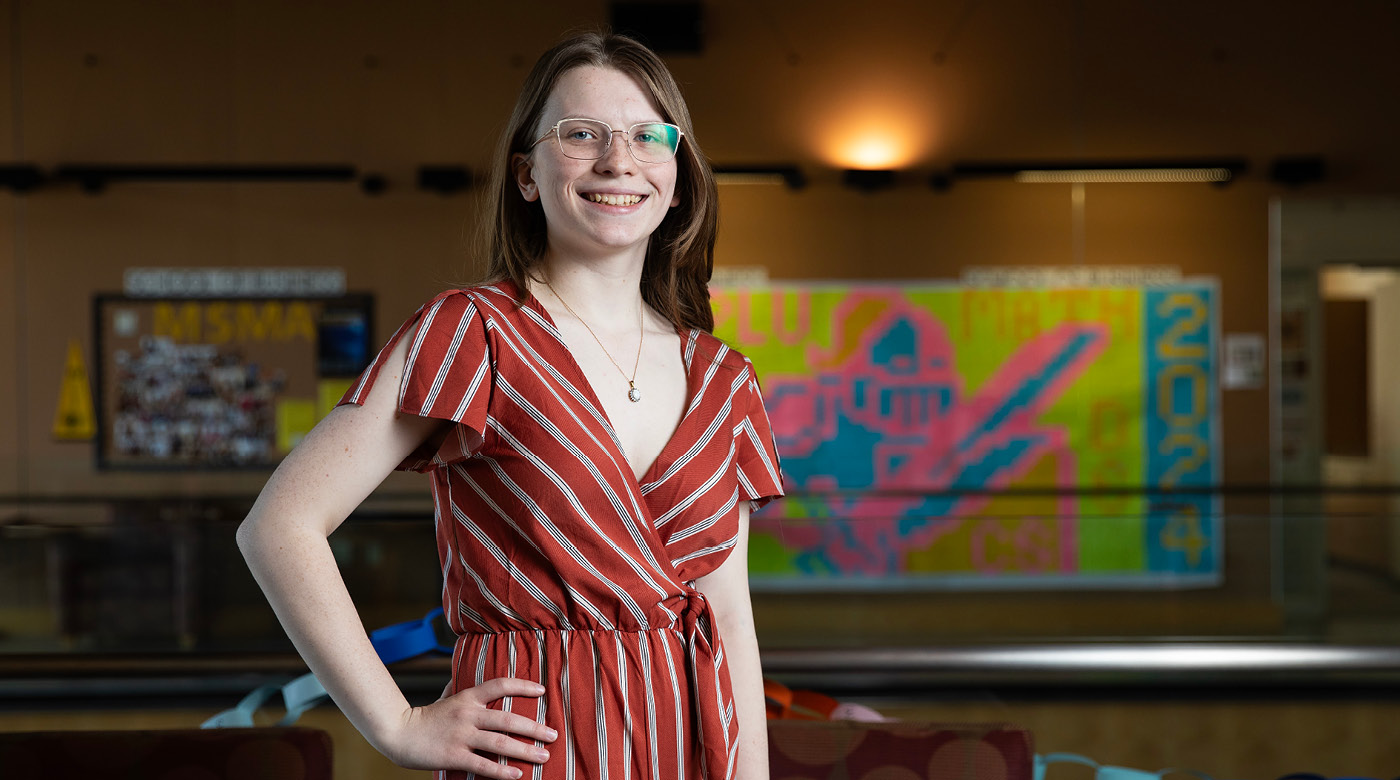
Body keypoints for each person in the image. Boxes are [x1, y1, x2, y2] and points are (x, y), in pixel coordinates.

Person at [237, 30, 784, 780]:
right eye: (581, 133)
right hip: (531, 750)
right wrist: (398, 724)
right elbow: (279, 525)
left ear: (678, 177)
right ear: (527, 175)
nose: (617, 159)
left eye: (646, 135)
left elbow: (727, 615)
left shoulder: (726, 380)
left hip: (688, 746)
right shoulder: (473, 333)